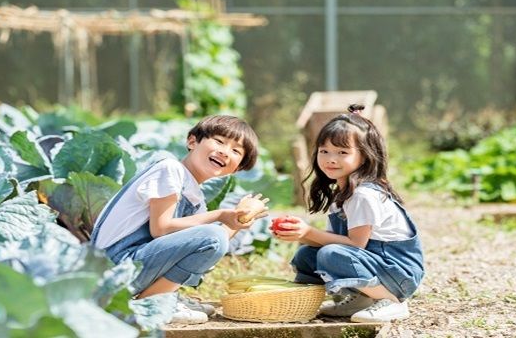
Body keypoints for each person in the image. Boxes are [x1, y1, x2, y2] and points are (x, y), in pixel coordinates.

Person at [90, 115, 268, 324]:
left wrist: (237, 222)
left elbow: (211, 247)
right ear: (192, 141)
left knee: (213, 239)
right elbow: (161, 229)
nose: (225, 151)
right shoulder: (169, 169)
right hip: (112, 269)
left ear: (236, 168)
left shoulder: (195, 196)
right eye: (219, 141)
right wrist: (220, 215)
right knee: (213, 235)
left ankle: (163, 297)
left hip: (131, 268)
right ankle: (152, 302)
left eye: (236, 151)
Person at [273, 104, 424, 323]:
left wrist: (309, 231)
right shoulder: (343, 194)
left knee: (331, 254)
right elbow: (333, 242)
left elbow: (355, 245)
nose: (330, 159)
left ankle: (393, 301)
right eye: (324, 151)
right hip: (376, 264)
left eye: (342, 152)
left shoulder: (363, 195)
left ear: (364, 156)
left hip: (398, 274)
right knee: (306, 255)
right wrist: (298, 234)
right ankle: (361, 298)